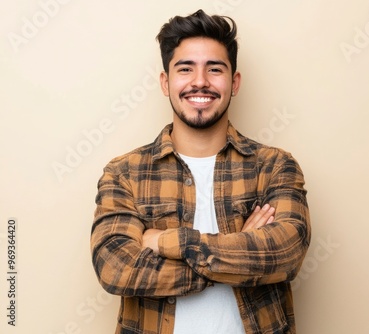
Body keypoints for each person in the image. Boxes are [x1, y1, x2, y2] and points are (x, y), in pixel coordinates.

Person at [90, 9, 311, 334]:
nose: (200, 82)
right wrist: (241, 248)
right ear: (166, 82)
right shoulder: (125, 173)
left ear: (234, 82)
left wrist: (165, 241)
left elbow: (285, 254)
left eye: (215, 69)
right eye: (185, 69)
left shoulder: (275, 166)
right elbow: (115, 268)